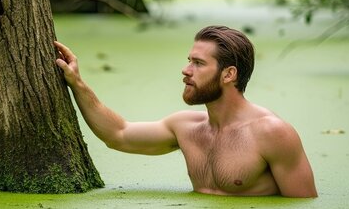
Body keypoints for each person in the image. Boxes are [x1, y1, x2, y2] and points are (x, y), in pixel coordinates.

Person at [54, 25, 317, 198]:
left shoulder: (272, 133)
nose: (186, 70)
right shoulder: (186, 127)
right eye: (189, 60)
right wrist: (76, 82)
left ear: (229, 74)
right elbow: (118, 134)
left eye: (198, 63)